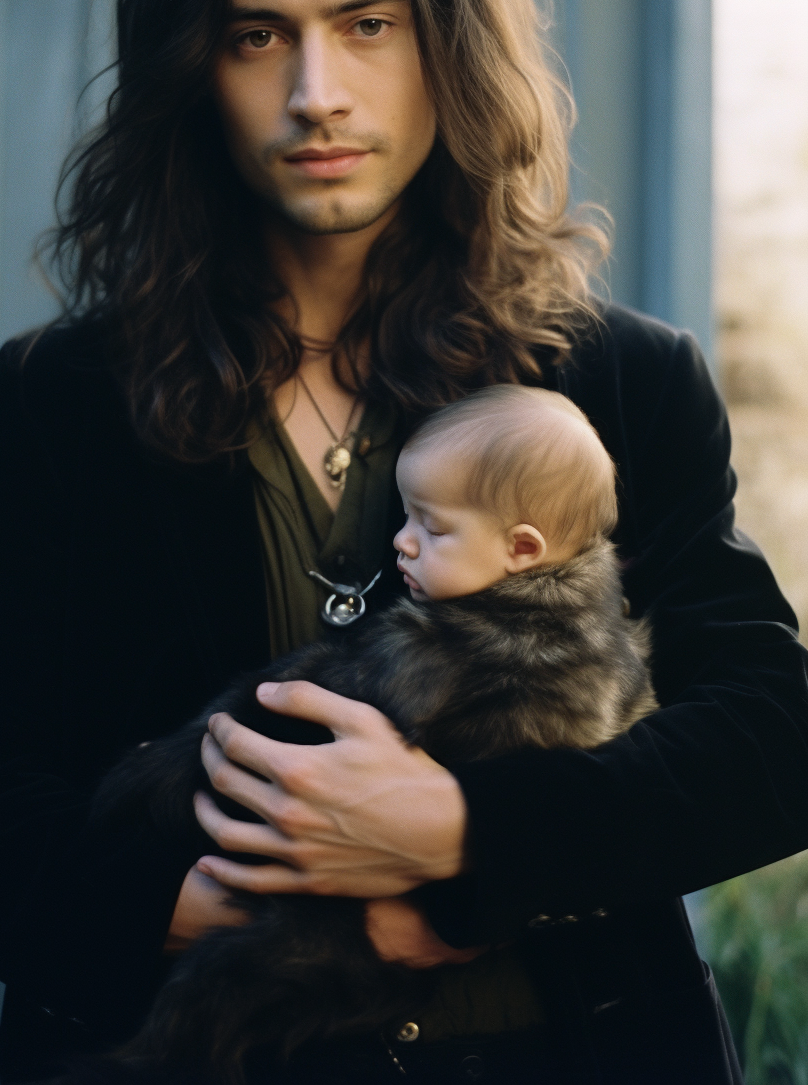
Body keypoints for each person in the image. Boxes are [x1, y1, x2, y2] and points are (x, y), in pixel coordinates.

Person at [0, 0, 804, 1085]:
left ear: (445, 45)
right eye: (255, 37)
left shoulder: (623, 379)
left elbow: (769, 736)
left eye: (368, 26)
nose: (314, 94)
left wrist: (465, 834)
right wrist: (161, 911)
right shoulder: (67, 398)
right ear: (196, 68)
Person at [82, 385, 657, 1084]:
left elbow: (609, 789)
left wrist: (461, 879)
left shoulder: (536, 672)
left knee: (209, 1011)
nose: (401, 541)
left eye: (431, 528)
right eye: (406, 515)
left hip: (493, 1017)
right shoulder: (514, 612)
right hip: (272, 910)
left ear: (522, 548)